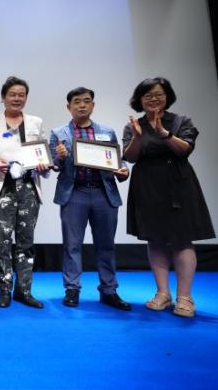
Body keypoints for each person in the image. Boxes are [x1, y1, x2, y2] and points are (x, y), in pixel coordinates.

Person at [122, 77, 214, 318]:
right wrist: (137, 137)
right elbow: (130, 157)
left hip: (178, 184)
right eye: (148, 95)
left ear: (167, 97)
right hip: (146, 185)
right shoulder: (134, 125)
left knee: (182, 239)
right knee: (155, 239)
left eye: (158, 94)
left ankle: (185, 297)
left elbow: (185, 149)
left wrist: (163, 133)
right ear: (140, 99)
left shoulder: (181, 121)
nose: (153, 99)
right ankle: (163, 293)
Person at [49, 87, 131, 310]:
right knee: (72, 245)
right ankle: (72, 289)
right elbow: (53, 164)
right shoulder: (58, 133)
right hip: (74, 193)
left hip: (104, 192)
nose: (82, 105)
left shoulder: (106, 131)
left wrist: (123, 170)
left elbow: (118, 160)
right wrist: (59, 157)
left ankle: (109, 290)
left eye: (87, 101)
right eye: (77, 101)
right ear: (69, 107)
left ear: (93, 105)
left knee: (106, 245)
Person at [0, 76, 48, 309]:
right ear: (3, 97)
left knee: (26, 241)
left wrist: (44, 164)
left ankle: (24, 290)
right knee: (3, 242)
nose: (17, 98)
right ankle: (4, 289)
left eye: (21, 95)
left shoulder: (36, 122)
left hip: (28, 187)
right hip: (3, 186)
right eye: (12, 94)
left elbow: (42, 153)